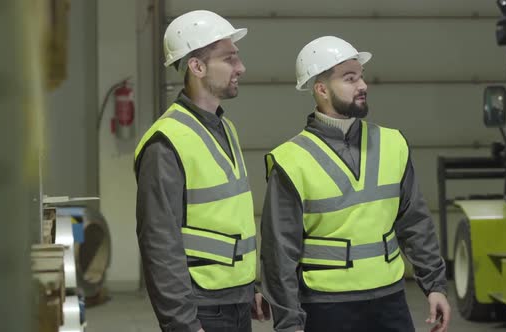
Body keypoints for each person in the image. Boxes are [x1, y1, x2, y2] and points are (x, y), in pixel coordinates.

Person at [260, 36, 451, 332]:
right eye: (350, 79)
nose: (362, 86)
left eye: (360, 76)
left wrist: (435, 285)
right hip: (325, 308)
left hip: (390, 301)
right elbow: (279, 254)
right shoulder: (290, 160)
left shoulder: (392, 143)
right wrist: (288, 324)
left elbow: (414, 221)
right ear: (321, 89)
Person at [134, 10, 267, 332]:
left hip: (234, 301)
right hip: (201, 309)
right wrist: (181, 323)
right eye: (230, 59)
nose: (241, 68)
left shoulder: (224, 127)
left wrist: (249, 288)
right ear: (197, 66)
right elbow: (159, 241)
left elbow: (226, 219)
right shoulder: (166, 142)